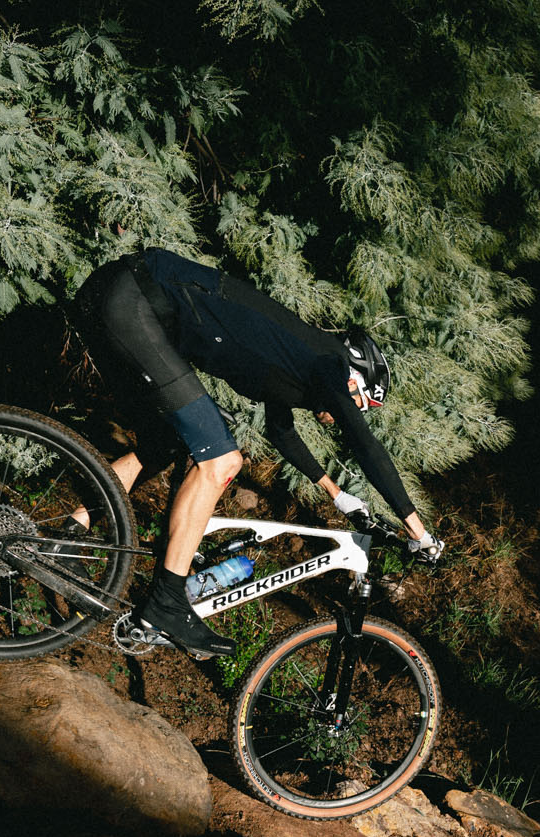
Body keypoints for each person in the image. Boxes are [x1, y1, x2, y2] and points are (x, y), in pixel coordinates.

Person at [71, 246, 443, 656]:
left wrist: (337, 495)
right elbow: (366, 445)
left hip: (115, 297)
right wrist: (418, 531)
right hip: (137, 299)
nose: (345, 415)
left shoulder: (297, 361)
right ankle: (166, 604)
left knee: (163, 445)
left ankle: (67, 536)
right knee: (222, 460)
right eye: (360, 404)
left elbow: (281, 432)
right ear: (355, 378)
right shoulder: (328, 362)